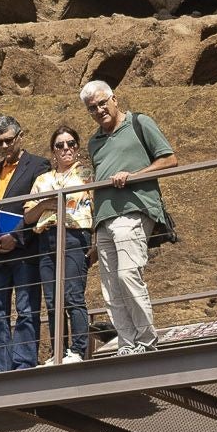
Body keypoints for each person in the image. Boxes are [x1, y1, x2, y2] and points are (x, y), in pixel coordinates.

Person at [82, 79, 178, 355]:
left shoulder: (139, 123)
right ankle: (126, 343)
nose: (99, 110)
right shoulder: (94, 142)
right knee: (110, 286)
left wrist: (133, 176)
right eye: (92, 108)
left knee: (127, 274)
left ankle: (146, 341)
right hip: (103, 219)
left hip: (133, 210)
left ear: (114, 99)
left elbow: (169, 159)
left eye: (102, 103)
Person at [0, 116, 52, 371]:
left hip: (24, 250)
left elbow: (39, 206)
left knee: (26, 309)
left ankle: (23, 364)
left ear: (21, 136)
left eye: (9, 140)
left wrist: (17, 236)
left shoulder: (39, 165)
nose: (5, 146)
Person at [28, 125, 96, 363]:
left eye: (71, 144)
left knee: (73, 294)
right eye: (60, 145)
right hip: (46, 237)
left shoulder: (87, 174)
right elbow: (28, 216)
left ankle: (78, 349)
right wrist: (45, 204)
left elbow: (97, 207)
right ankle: (58, 351)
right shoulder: (42, 179)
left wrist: (96, 242)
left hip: (75, 235)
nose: (66, 148)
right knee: (52, 299)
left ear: (77, 147)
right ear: (53, 150)